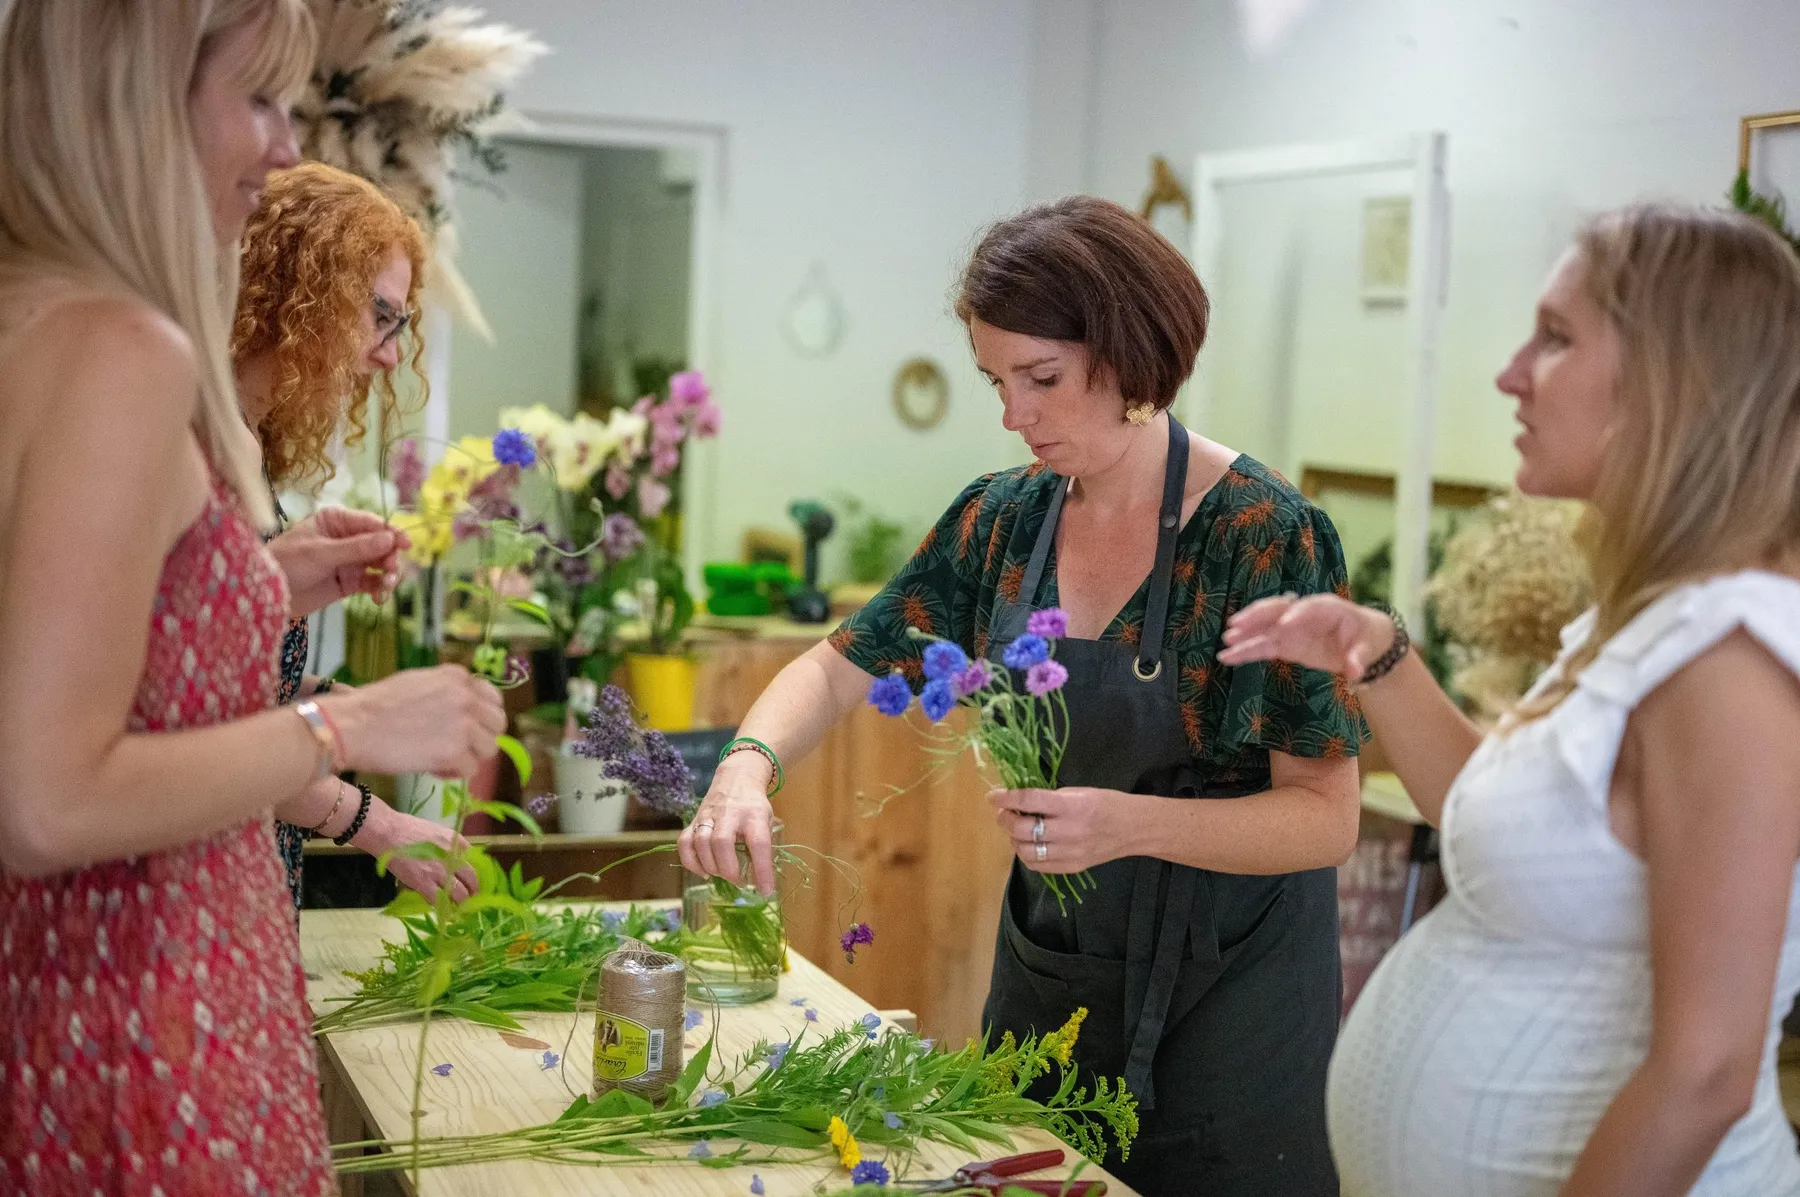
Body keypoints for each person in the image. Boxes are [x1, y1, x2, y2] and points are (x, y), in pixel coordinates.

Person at [679, 196, 1366, 1196]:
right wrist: (746, 770)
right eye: (997, 381)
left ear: (1130, 356)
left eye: (1040, 378)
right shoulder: (1002, 522)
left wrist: (1127, 823)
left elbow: (1325, 818)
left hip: (1230, 998)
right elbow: (836, 665)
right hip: (1058, 967)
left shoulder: (1264, 537)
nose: (1013, 414)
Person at [0, 2, 506, 1190]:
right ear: (137, 102)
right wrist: (349, 728)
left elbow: (79, 645)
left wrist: (263, 582)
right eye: (263, 99)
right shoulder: (123, 350)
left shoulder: (34, 320)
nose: (288, 148)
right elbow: (47, 795)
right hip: (150, 999)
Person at [1219, 203, 1800, 1195]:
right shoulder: (1653, 616)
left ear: (1676, 380)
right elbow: (1497, 814)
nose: (1511, 372)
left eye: (1558, 337)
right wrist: (1376, 654)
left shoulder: (1731, 659)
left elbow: (1705, 1074)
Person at [235, 161, 475, 911]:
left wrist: (349, 701)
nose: (388, 354)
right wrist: (377, 821)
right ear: (301, 292)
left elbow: (230, 676)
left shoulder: (244, 442)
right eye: (379, 315)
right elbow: (198, 723)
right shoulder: (201, 444)